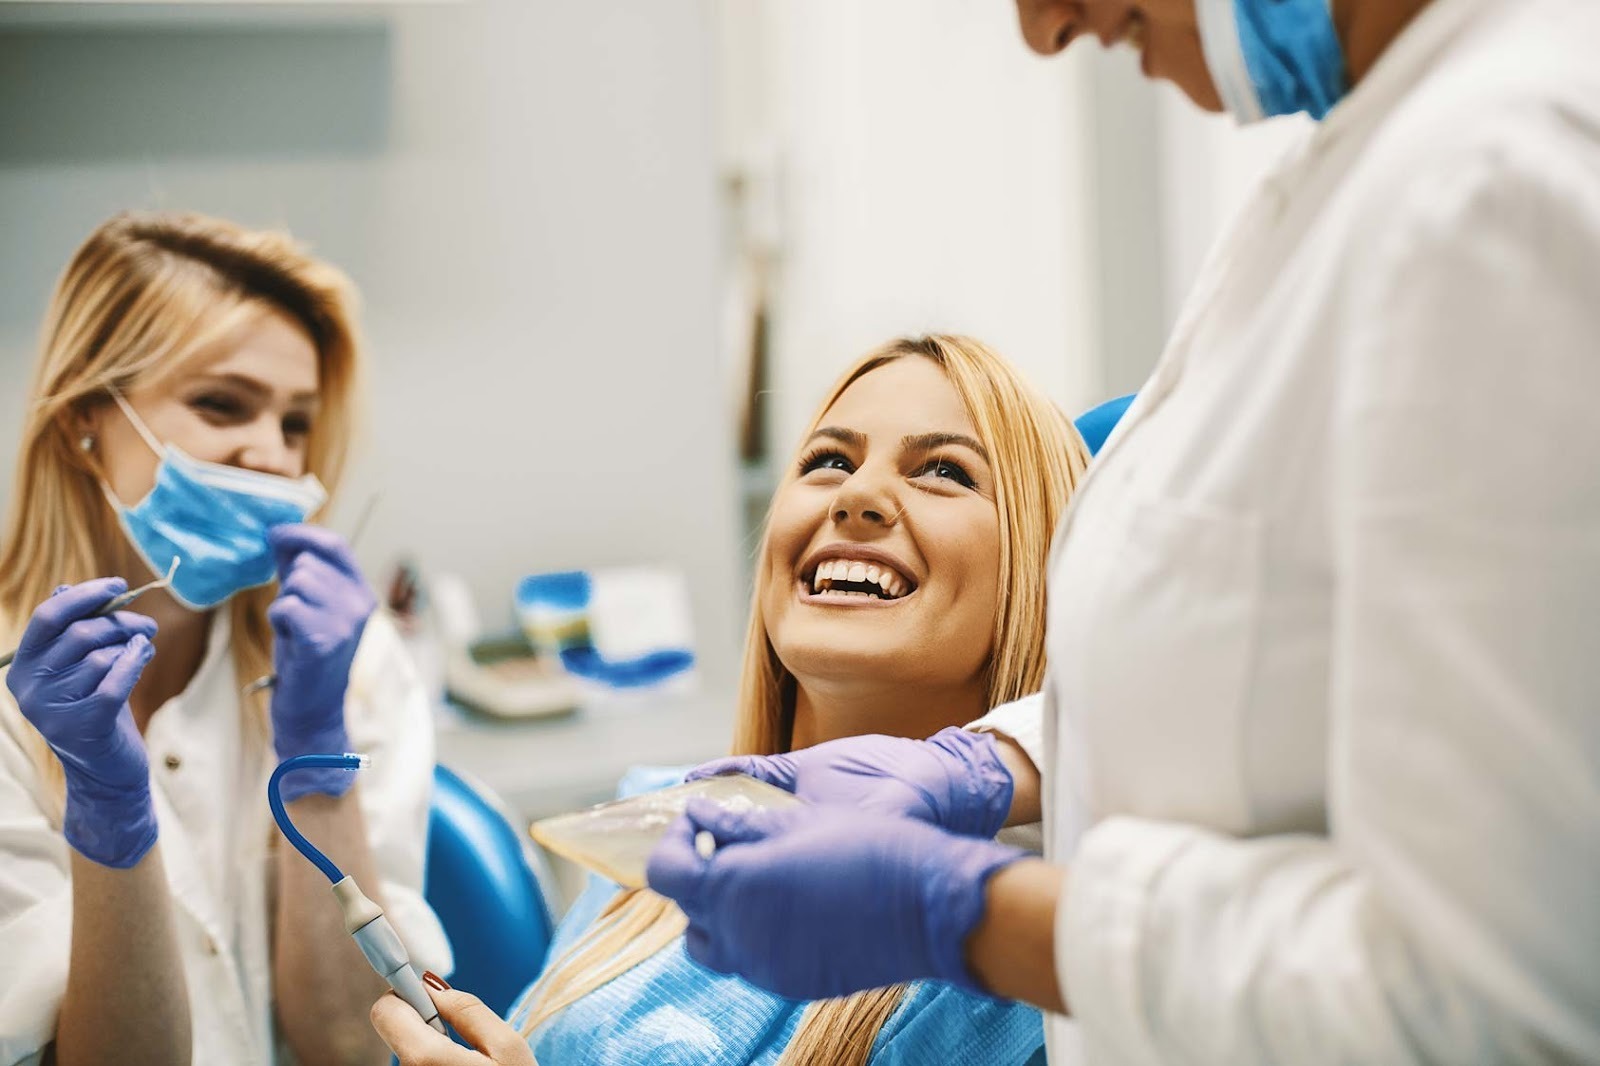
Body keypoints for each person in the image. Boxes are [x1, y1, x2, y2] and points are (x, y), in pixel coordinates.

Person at [640, 1, 1600, 1064]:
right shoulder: (1360, 165)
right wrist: (995, 762)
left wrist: (964, 912)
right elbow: (1264, 675)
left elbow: (1500, 1001)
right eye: (826, 458)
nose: (1042, 29)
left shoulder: (1505, 182)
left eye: (944, 471)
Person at [370, 335, 1091, 1065]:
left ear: (1042, 567)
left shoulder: (1029, 964)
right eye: (828, 461)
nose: (856, 496)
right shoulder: (651, 821)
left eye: (944, 472)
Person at [0, 211, 449, 1066]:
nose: (273, 455)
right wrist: (107, 811)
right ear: (84, 417)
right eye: (221, 404)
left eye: (294, 423)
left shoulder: (348, 660)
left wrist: (314, 754)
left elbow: (348, 1049)